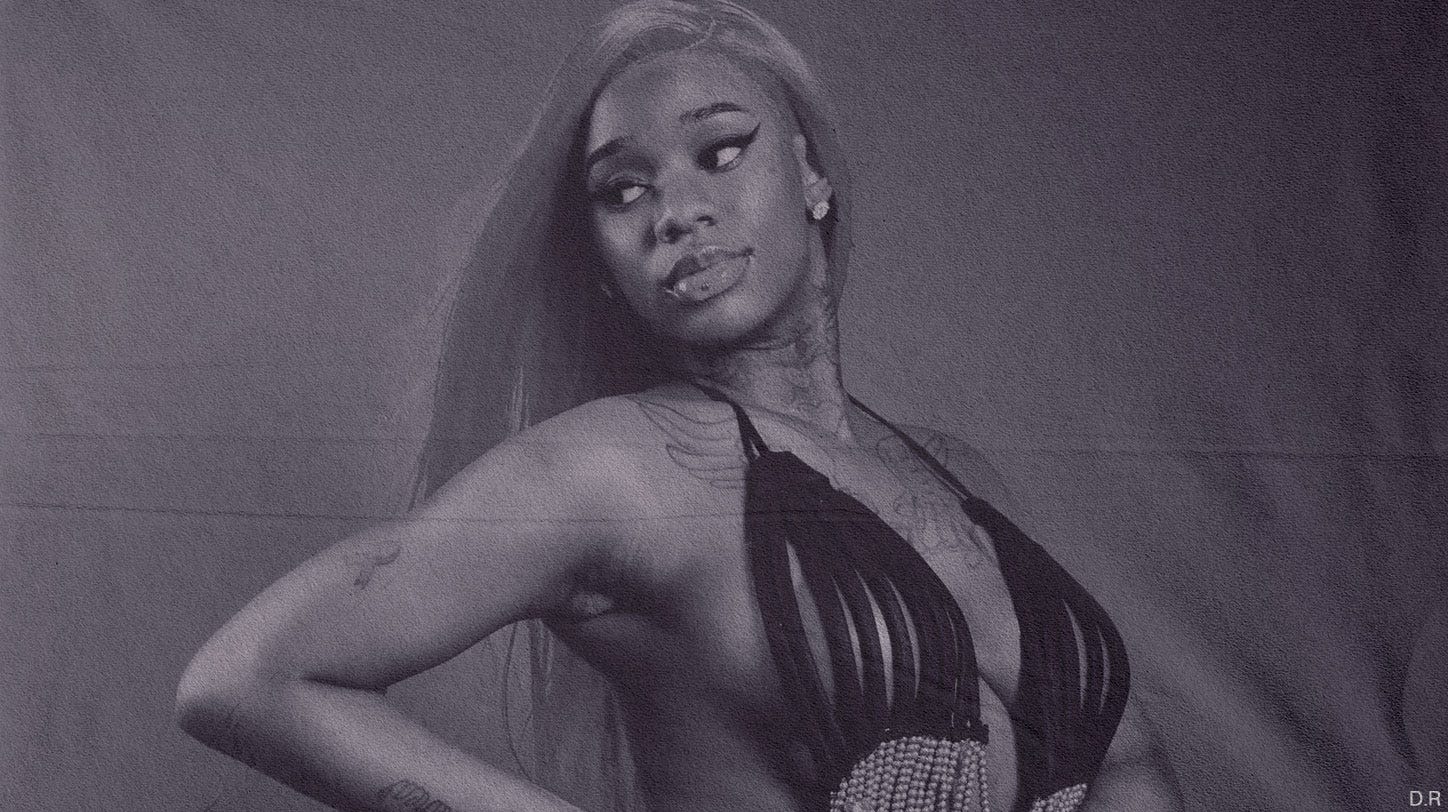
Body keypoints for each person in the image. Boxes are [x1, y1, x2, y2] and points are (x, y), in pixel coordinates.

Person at [175, 2, 1183, 810]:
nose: (677, 212)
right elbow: (247, 677)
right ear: (604, 263)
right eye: (622, 190)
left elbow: (1125, 757)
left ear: (812, 173)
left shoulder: (948, 470)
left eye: (722, 151)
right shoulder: (617, 469)